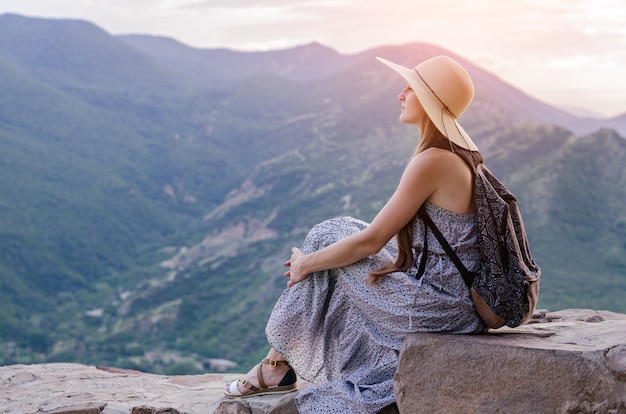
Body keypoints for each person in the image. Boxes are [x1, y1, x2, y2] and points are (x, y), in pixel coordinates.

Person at [224, 54, 486, 413]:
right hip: (446, 294)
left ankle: (275, 366)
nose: (400, 94)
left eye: (410, 87)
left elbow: (372, 241)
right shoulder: (458, 153)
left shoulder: (433, 161)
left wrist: (305, 266)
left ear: (427, 101)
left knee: (328, 242)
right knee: (332, 231)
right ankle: (277, 364)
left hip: (441, 306)